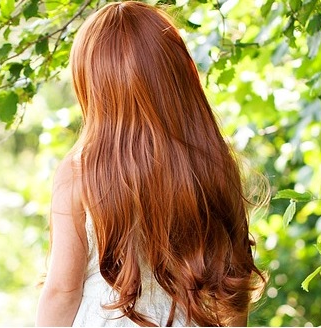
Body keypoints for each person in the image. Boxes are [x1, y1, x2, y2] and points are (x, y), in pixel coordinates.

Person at [35, 1, 266, 326]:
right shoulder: (212, 164)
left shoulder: (80, 172)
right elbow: (233, 276)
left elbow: (62, 289)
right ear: (176, 76)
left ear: (95, 87)